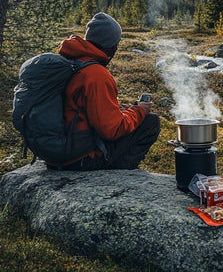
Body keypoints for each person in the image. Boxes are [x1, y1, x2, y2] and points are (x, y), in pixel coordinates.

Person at [46, 12, 160, 171]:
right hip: (80, 158)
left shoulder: (69, 62)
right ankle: (120, 173)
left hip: (59, 150)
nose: (117, 47)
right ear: (110, 45)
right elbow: (112, 130)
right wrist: (139, 111)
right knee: (151, 122)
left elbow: (84, 110)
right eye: (117, 42)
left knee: (132, 115)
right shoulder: (96, 75)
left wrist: (124, 109)